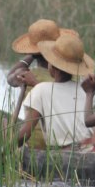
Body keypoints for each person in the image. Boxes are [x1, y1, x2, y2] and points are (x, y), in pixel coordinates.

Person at [17, 32, 95, 151]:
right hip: (91, 148)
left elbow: (25, 134)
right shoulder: (85, 89)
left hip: (66, 154)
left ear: (52, 65)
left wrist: (5, 149)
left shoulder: (40, 90)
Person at [7, 19, 78, 149]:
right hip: (68, 141)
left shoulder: (29, 75)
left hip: (38, 144)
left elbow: (10, 77)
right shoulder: (73, 77)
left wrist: (30, 57)